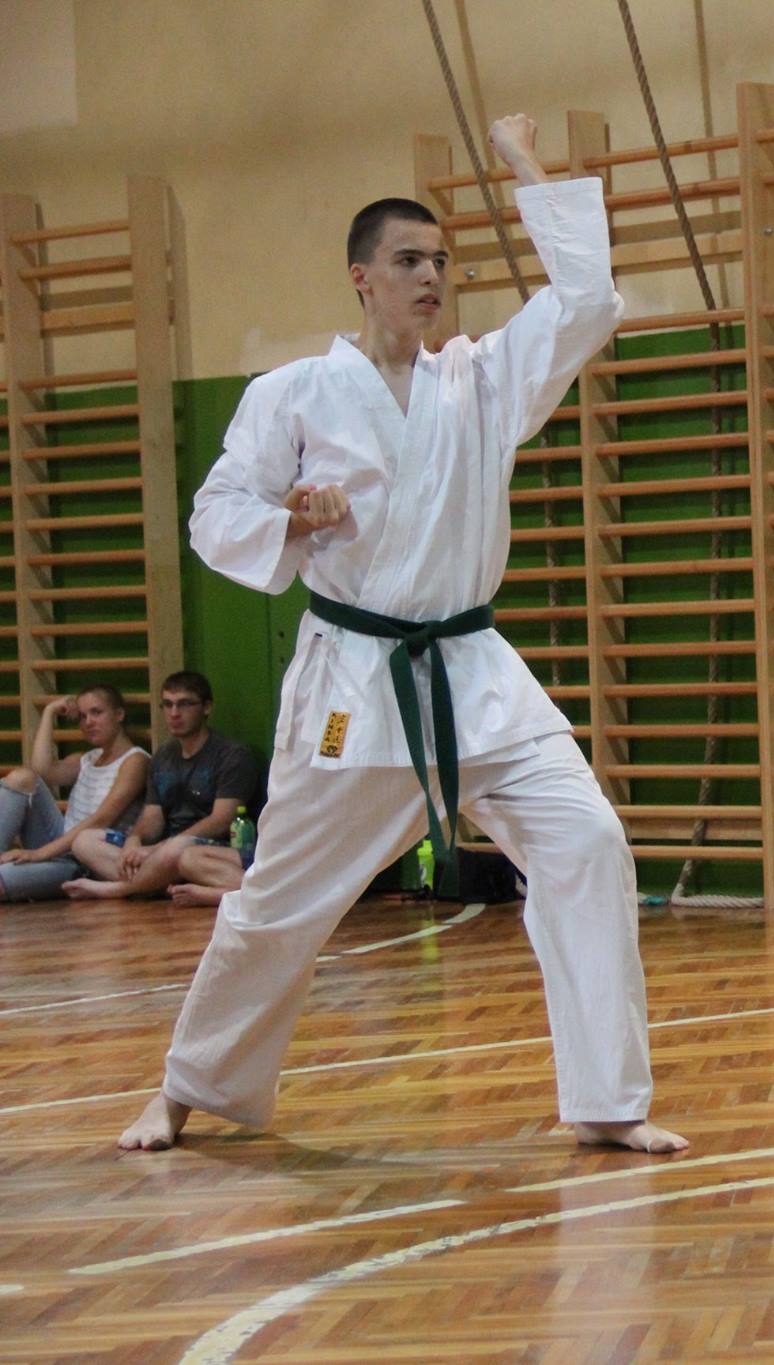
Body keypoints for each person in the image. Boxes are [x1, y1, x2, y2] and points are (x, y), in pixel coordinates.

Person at [118, 113, 682, 1156]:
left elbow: (586, 300)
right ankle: (187, 1088)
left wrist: (523, 164)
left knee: (587, 841)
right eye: (409, 261)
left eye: (441, 262)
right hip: (356, 680)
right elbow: (215, 514)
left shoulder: (483, 380)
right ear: (361, 278)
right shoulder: (293, 393)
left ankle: (608, 1098)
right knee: (281, 896)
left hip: (473, 671)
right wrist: (294, 520)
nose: (430, 278)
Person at [64, 671, 259, 900]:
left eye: (184, 704)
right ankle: (156, 881)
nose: (174, 713)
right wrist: (134, 840)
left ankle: (122, 888)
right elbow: (152, 817)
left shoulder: (231, 755)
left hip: (207, 849)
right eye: (167, 705)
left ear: (206, 707)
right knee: (84, 841)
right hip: (163, 850)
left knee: (178, 849)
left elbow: (221, 820)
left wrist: (160, 848)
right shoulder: (163, 756)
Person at [0, 686, 149, 901]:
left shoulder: (135, 761)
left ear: (119, 714)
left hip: (84, 858)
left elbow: (102, 819)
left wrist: (38, 854)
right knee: (22, 778)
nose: (88, 722)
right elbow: (42, 770)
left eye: (96, 712)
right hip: (60, 842)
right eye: (82, 716)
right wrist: (49, 711)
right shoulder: (88, 758)